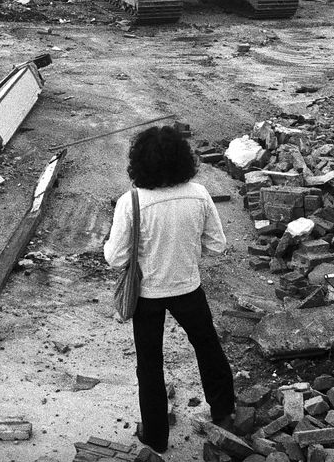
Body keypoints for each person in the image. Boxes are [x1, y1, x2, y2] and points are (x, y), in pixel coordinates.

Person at [103, 125, 235, 454]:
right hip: (188, 288)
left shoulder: (131, 202)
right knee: (208, 348)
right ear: (182, 159)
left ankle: (156, 436)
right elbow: (217, 246)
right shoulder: (199, 194)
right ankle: (224, 414)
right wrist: (185, 249)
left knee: (149, 364)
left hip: (147, 295)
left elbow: (115, 258)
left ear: (139, 162)